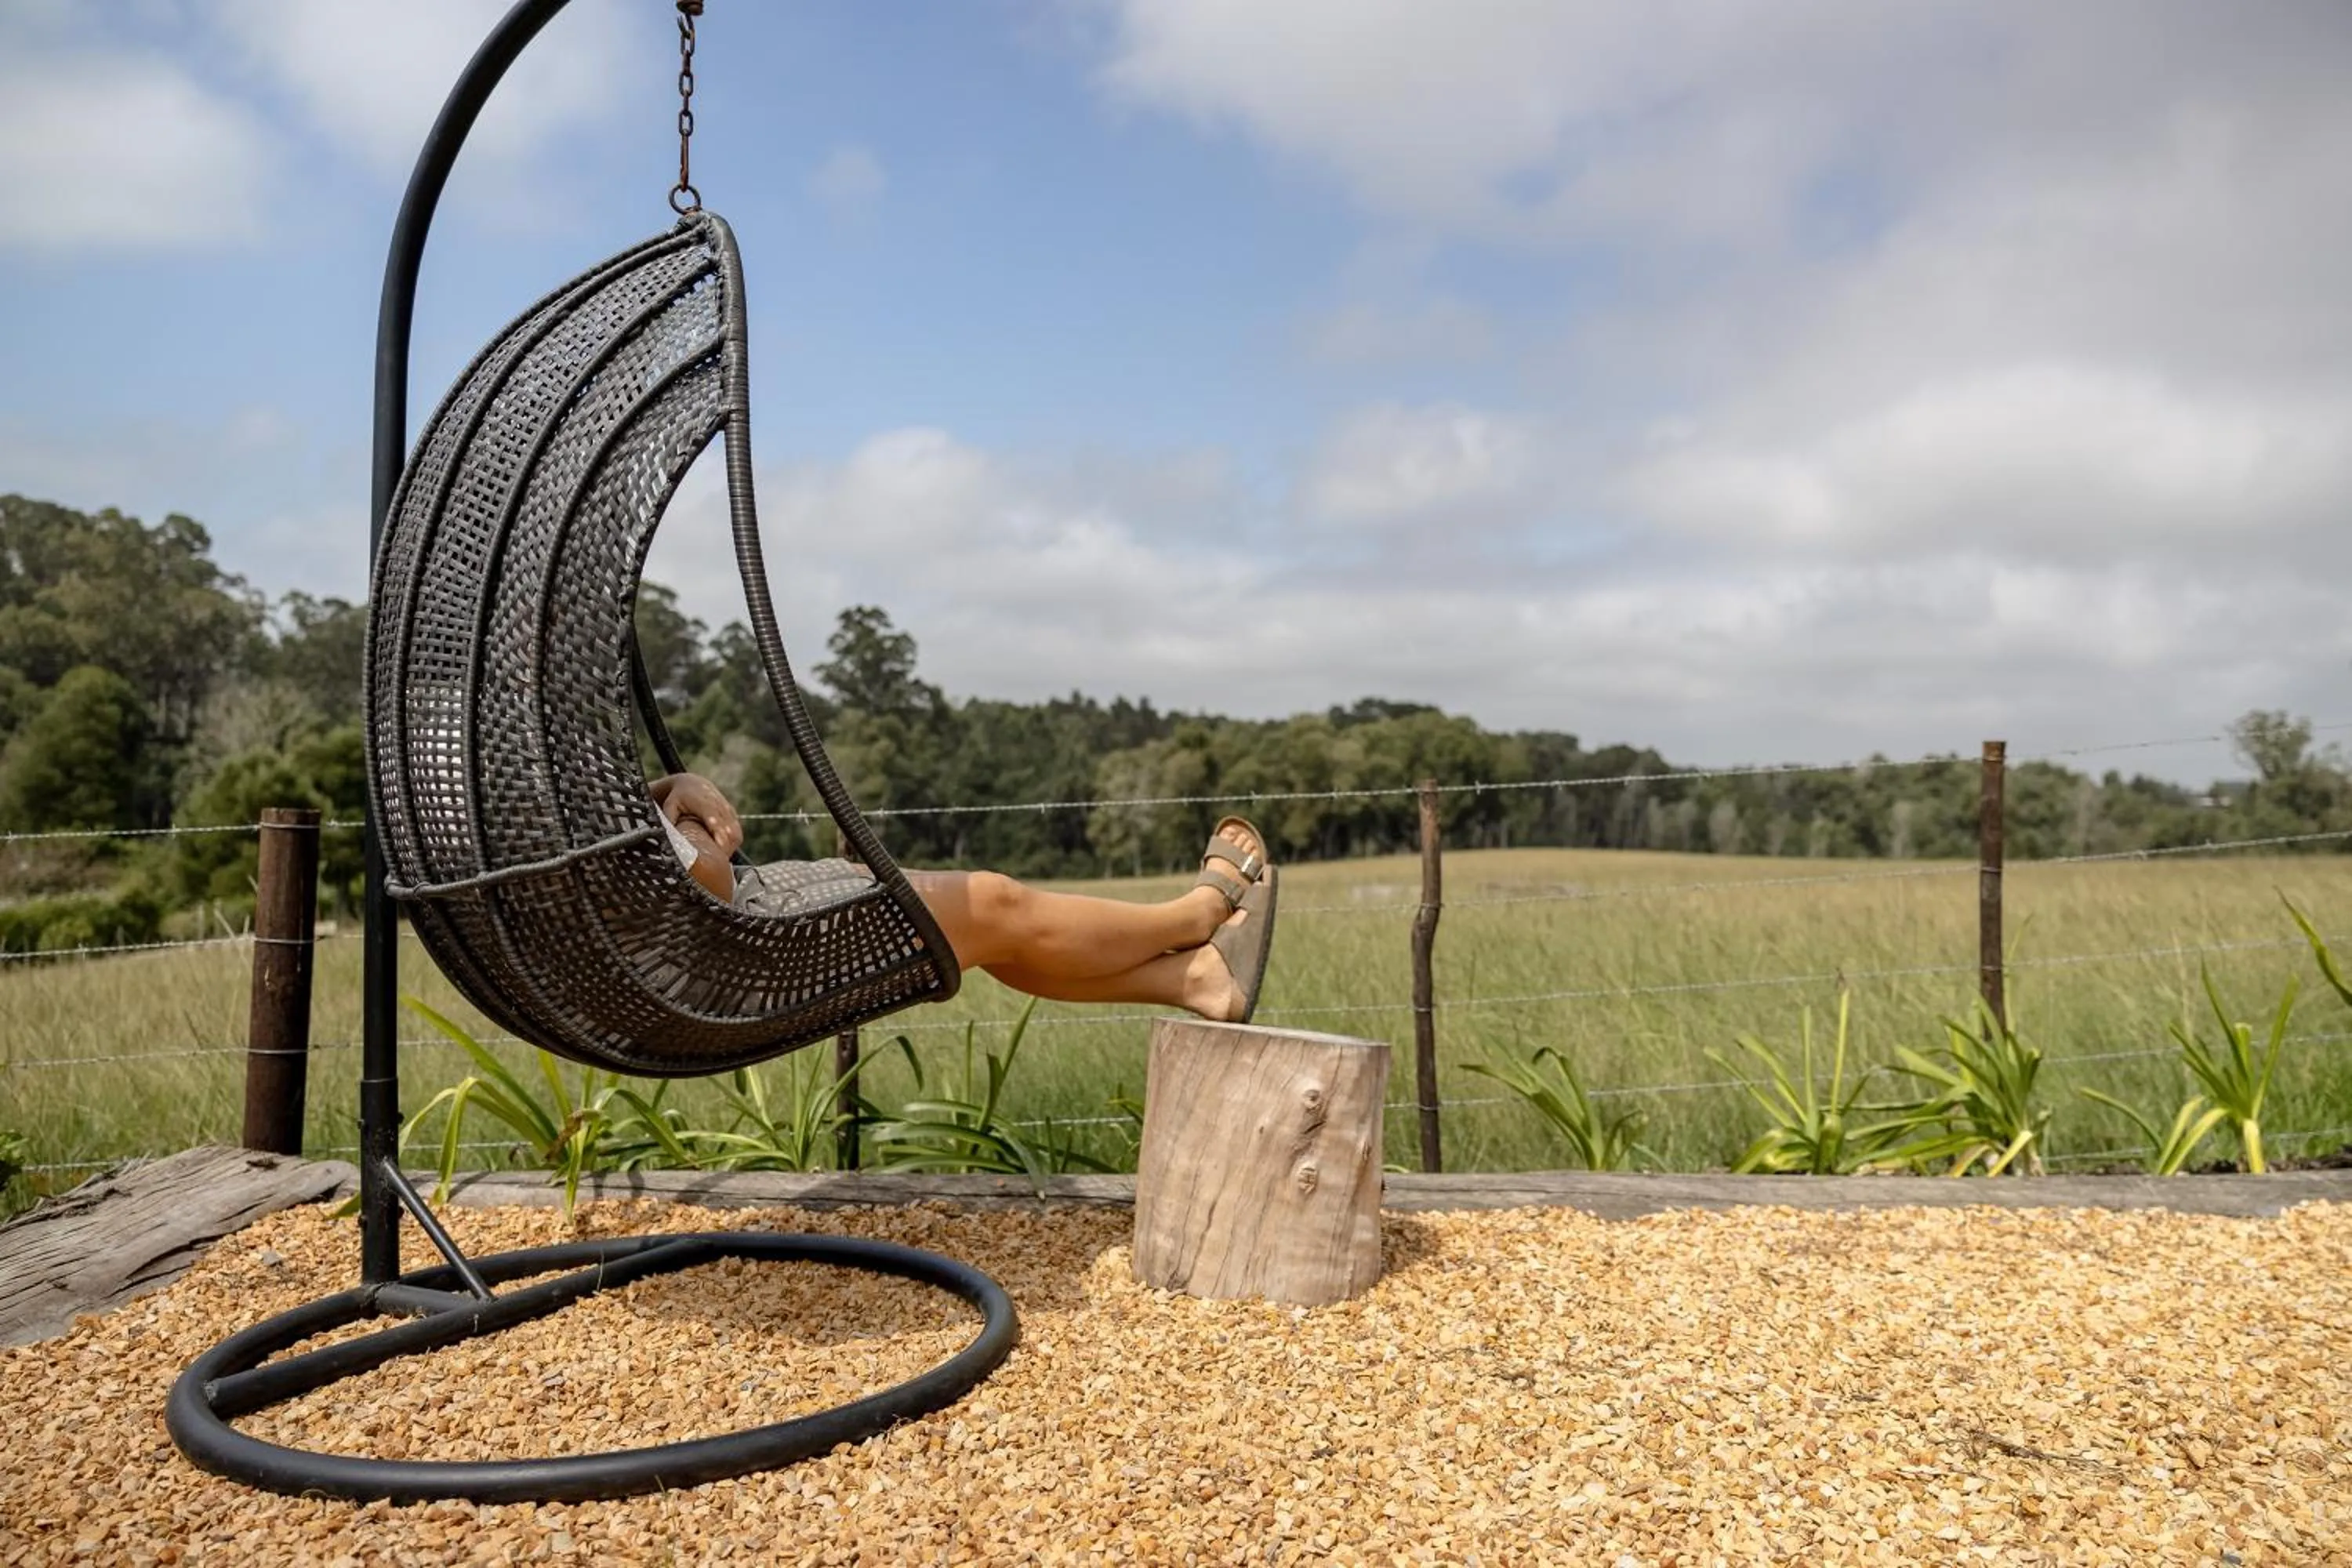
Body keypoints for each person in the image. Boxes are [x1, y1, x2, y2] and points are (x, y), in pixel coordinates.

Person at [648, 772, 1277, 1023]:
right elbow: (704, 876)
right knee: (993, 905)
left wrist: (670, 786)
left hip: (725, 932)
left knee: (995, 938)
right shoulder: (553, 769)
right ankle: (1197, 916)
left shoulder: (555, 768)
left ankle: (1193, 982)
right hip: (741, 947)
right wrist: (693, 824)